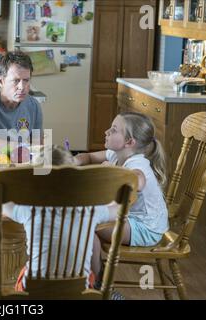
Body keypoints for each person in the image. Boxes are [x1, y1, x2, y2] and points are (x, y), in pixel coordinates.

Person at [72, 111, 168, 289]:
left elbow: (138, 181)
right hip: (131, 220)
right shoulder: (116, 154)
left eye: (114, 130)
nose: (106, 131)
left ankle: (98, 284)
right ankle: (92, 276)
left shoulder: (137, 164)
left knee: (85, 223)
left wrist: (113, 175)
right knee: (83, 219)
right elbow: (90, 157)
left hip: (145, 228)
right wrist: (74, 160)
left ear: (129, 142)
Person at [2, 145, 109, 291]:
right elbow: (118, 209)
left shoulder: (29, 209)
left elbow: (2, 204)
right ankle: (96, 287)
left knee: (24, 272)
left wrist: (17, 185)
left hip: (34, 291)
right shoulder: (90, 209)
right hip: (78, 292)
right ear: (74, 178)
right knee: (88, 274)